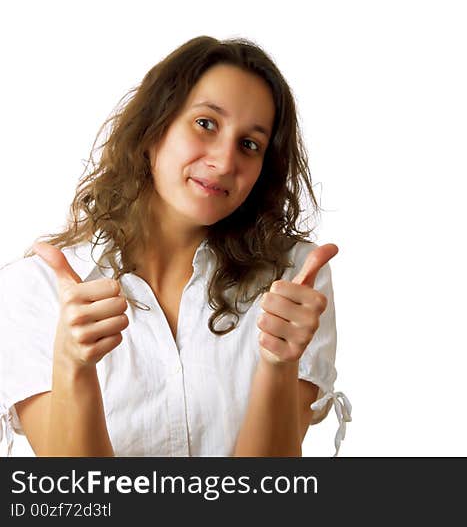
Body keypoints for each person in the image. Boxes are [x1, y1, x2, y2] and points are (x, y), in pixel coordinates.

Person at [0, 36, 350, 457]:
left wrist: (278, 365)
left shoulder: (293, 281)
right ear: (153, 127)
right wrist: (73, 365)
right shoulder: (35, 288)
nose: (224, 162)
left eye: (249, 144)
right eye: (206, 123)